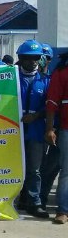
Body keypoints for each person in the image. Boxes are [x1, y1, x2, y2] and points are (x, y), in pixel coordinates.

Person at [15, 40, 50, 219]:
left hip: (35, 130)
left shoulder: (45, 81)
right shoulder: (10, 79)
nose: (33, 61)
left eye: (36, 57)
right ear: (20, 58)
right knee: (14, 167)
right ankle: (16, 200)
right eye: (28, 58)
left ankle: (34, 202)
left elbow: (51, 107)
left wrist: (36, 116)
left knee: (34, 169)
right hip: (14, 131)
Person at [45, 50, 68, 225]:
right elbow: (52, 103)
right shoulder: (61, 73)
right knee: (66, 172)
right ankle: (62, 210)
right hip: (66, 129)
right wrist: (50, 129)